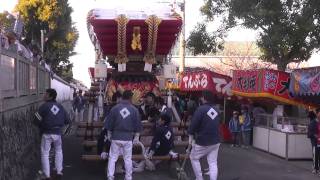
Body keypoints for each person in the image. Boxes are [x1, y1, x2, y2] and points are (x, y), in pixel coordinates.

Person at [105, 90, 143, 180]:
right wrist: (137, 137)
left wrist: (109, 134)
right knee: (128, 159)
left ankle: (110, 176)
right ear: (130, 98)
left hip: (116, 137)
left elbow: (109, 123)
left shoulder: (115, 108)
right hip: (128, 138)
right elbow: (138, 125)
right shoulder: (134, 110)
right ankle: (128, 177)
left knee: (112, 158)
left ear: (122, 97)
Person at [34, 89, 70, 180]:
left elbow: (36, 120)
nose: (44, 95)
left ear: (50, 96)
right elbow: (67, 120)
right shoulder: (60, 106)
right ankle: (59, 171)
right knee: (59, 151)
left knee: (45, 153)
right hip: (58, 133)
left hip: (47, 133)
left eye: (45, 94)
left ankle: (46, 175)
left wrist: (41, 126)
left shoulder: (44, 107)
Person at [188, 90, 220, 180]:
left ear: (204, 98)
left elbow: (194, 124)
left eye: (202, 97)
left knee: (193, 157)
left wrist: (190, 133)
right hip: (216, 140)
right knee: (213, 162)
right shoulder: (217, 109)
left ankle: (199, 178)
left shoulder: (201, 109)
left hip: (203, 140)